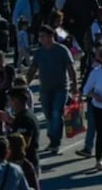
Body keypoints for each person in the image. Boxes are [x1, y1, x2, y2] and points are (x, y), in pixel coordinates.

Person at [26, 24, 78, 155]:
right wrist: (24, 84)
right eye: (40, 37)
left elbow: (70, 68)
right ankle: (52, 139)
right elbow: (32, 70)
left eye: (43, 36)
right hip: (45, 89)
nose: (40, 39)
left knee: (56, 114)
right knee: (49, 116)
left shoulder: (61, 50)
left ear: (51, 36)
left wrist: (74, 84)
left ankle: (56, 143)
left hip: (61, 88)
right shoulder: (39, 52)